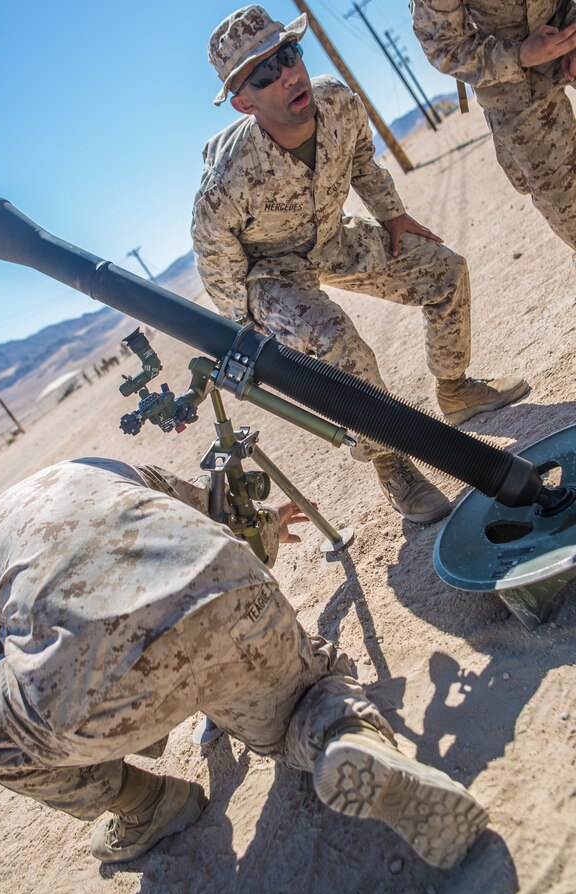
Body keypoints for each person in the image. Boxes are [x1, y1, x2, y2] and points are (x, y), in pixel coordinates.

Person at [0, 457, 489, 868]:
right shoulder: (90, 470)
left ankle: (146, 804)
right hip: (223, 582)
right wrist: (266, 526)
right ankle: (348, 735)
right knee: (300, 705)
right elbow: (218, 512)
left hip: (96, 685)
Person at [191, 5, 530, 527]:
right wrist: (249, 325)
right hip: (272, 273)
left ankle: (455, 389)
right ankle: (392, 461)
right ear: (243, 101)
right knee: (338, 342)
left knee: (443, 272)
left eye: (288, 54)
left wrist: (393, 217)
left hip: (330, 236)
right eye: (265, 73)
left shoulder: (337, 101)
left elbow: (360, 162)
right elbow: (214, 256)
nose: (287, 74)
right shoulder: (229, 179)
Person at [412, 0, 576, 252]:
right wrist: (518, 55)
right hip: (509, 80)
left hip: (566, 23)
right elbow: (444, 46)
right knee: (562, 194)